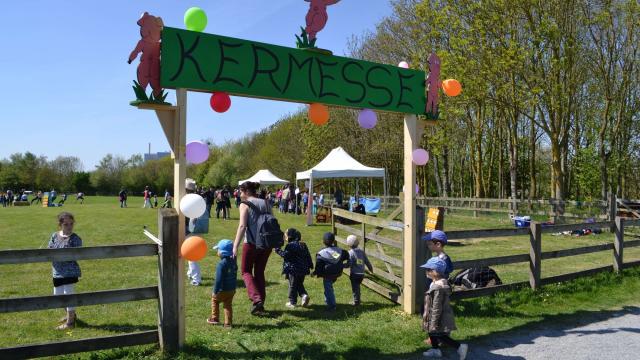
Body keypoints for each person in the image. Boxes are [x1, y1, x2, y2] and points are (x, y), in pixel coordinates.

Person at [232, 181, 272, 315]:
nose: (239, 194)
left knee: (245, 271)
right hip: (266, 243)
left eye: (240, 191)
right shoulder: (266, 202)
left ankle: (256, 299)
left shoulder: (244, 205)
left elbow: (242, 226)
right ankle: (261, 303)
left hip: (251, 243)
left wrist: (235, 245)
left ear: (246, 192)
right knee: (259, 272)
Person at [421, 257, 468, 359]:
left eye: (429, 269)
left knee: (439, 334)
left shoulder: (438, 287)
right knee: (432, 331)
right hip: (432, 313)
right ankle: (435, 350)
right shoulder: (435, 283)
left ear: (436, 272)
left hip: (438, 315)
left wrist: (434, 320)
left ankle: (460, 347)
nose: (426, 271)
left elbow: (437, 306)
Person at [48, 212, 83, 330]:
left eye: (71, 224)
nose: (69, 226)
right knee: (57, 296)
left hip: (70, 271)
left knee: (68, 294)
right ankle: (71, 314)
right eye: (66, 224)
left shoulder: (75, 238)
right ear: (60, 225)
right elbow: (50, 249)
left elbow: (78, 254)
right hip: (56, 271)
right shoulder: (54, 235)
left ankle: (70, 323)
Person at [275, 228, 314, 308]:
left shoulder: (290, 245)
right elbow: (308, 255)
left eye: (286, 234)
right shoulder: (303, 244)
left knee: (292, 285)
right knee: (299, 284)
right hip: (303, 269)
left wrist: (278, 250)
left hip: (293, 270)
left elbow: (286, 255)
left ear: (290, 236)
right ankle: (304, 296)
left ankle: (292, 302)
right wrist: (310, 264)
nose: (285, 236)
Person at [312, 232, 349, 312]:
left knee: (328, 289)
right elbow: (346, 255)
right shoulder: (339, 251)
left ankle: (332, 306)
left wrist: (315, 273)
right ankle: (328, 301)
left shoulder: (321, 253)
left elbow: (318, 266)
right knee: (328, 287)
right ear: (333, 241)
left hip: (327, 274)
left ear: (323, 241)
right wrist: (347, 264)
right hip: (337, 272)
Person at [207, 239, 237, 328]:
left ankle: (214, 318)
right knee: (227, 305)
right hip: (232, 289)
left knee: (215, 300)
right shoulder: (233, 262)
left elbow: (218, 279)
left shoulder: (221, 264)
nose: (217, 251)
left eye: (218, 250)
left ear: (222, 252)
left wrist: (215, 290)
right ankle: (228, 324)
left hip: (222, 289)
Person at [185, 178, 209, 286]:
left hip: (190, 229)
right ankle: (190, 273)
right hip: (195, 229)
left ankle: (196, 279)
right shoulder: (198, 198)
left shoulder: (187, 199)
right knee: (189, 254)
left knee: (191, 255)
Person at [345, 234, 373, 306]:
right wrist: (370, 268)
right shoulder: (361, 252)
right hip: (362, 274)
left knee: (355, 288)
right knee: (357, 287)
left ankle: (356, 302)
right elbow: (367, 261)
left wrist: (342, 265)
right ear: (357, 243)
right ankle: (358, 299)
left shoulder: (350, 253)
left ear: (348, 244)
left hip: (354, 274)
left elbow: (349, 264)